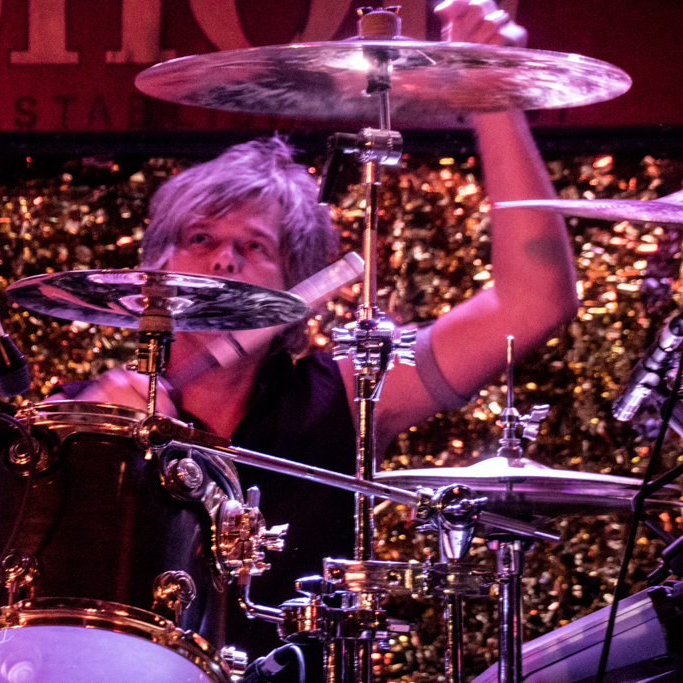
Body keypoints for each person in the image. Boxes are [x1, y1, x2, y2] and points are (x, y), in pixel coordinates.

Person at [54, 0, 580, 675]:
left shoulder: (347, 396)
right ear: (150, 270)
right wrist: (91, 451)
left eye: (255, 246)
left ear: (297, 288)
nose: (224, 260)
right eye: (201, 239)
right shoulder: (80, 412)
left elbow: (531, 301)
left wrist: (494, 98)